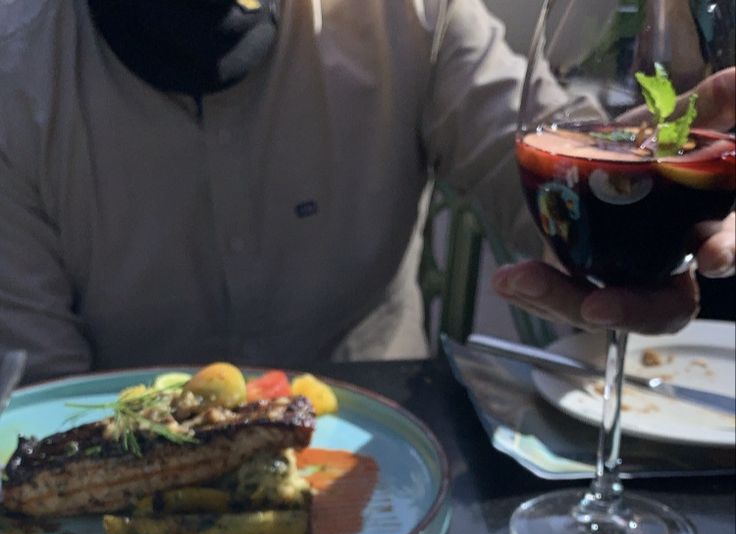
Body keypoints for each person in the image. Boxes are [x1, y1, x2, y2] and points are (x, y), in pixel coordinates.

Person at [0, 0, 733, 386]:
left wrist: (645, 192)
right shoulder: (15, 79)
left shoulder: (414, 13)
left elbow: (546, 184)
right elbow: (39, 399)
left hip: (391, 480)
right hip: (135, 519)